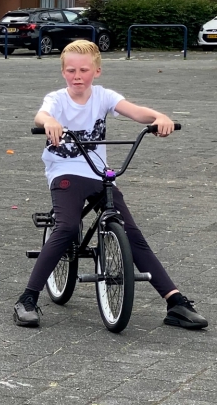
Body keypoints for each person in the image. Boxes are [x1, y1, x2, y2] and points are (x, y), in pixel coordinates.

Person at [13, 40, 207, 330]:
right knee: (66, 227)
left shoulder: (103, 97)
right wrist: (50, 122)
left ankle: (175, 302)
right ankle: (27, 299)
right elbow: (41, 115)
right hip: (65, 171)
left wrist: (158, 117)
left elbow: (134, 111)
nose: (77, 76)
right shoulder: (57, 99)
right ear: (63, 72)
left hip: (98, 172)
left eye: (83, 70)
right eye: (70, 71)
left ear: (97, 72)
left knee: (132, 233)